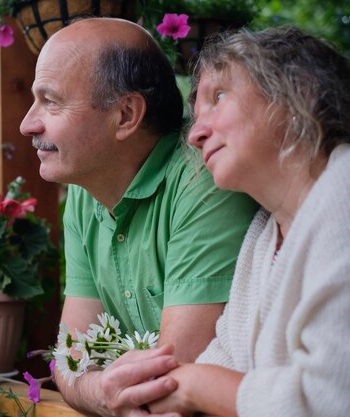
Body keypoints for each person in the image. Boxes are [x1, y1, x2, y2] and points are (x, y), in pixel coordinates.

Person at [19, 18, 259, 416]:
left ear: (126, 114)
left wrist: (97, 383)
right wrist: (101, 391)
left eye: (51, 100)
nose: (27, 123)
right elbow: (71, 357)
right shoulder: (84, 192)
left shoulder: (205, 178)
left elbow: (173, 379)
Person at [146, 26, 350, 417]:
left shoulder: (343, 192)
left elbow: (330, 398)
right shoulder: (263, 235)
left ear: (299, 89)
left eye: (218, 96)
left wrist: (192, 385)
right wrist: (153, 388)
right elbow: (224, 359)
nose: (195, 134)